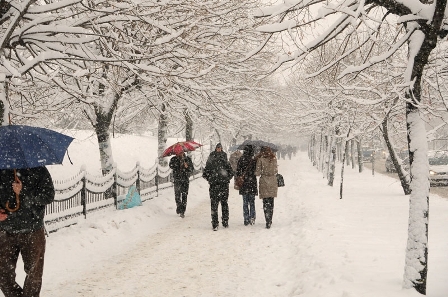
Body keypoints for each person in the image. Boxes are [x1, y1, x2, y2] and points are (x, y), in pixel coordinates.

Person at [0, 166, 55, 297]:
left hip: (33, 230)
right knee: (3, 274)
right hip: (6, 231)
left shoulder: (39, 170)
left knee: (34, 274)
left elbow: (48, 196)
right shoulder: (2, 169)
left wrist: (23, 191)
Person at [203, 143, 234, 231]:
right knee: (215, 205)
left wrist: (226, 178)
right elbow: (205, 172)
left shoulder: (224, 159)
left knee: (223, 203)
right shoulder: (211, 160)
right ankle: (215, 223)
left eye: (220, 148)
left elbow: (231, 172)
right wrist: (211, 179)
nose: (219, 149)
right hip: (215, 185)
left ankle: (225, 221)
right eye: (217, 148)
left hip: (222, 185)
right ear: (216, 148)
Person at [255, 146, 278, 229]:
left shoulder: (260, 160)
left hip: (264, 181)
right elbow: (276, 171)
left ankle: (267, 220)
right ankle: (270, 219)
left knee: (265, 202)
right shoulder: (274, 159)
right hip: (272, 181)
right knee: (271, 202)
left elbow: (257, 173)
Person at [236, 145, 258, 226]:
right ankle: (252, 217)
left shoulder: (241, 159)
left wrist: (242, 176)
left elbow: (238, 171)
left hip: (244, 183)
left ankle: (246, 219)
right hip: (252, 183)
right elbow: (257, 171)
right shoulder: (254, 160)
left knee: (245, 203)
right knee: (252, 202)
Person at [169, 151, 194, 218]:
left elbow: (191, 169)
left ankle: (182, 211)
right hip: (177, 180)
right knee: (177, 195)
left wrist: (187, 166)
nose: (179, 153)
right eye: (178, 152)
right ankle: (179, 206)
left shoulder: (187, 159)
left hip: (185, 180)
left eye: (181, 152)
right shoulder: (174, 159)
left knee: (184, 195)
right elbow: (170, 165)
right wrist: (177, 164)